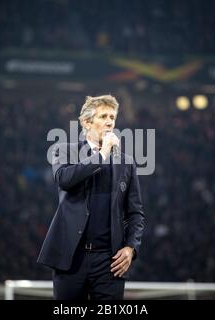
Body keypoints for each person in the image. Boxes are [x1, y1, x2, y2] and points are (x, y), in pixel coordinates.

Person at [37, 94, 145, 300]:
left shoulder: (126, 163)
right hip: (70, 257)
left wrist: (131, 248)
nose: (109, 122)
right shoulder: (64, 150)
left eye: (112, 117)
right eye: (103, 116)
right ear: (86, 122)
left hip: (109, 261)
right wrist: (101, 155)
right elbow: (64, 180)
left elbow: (135, 213)